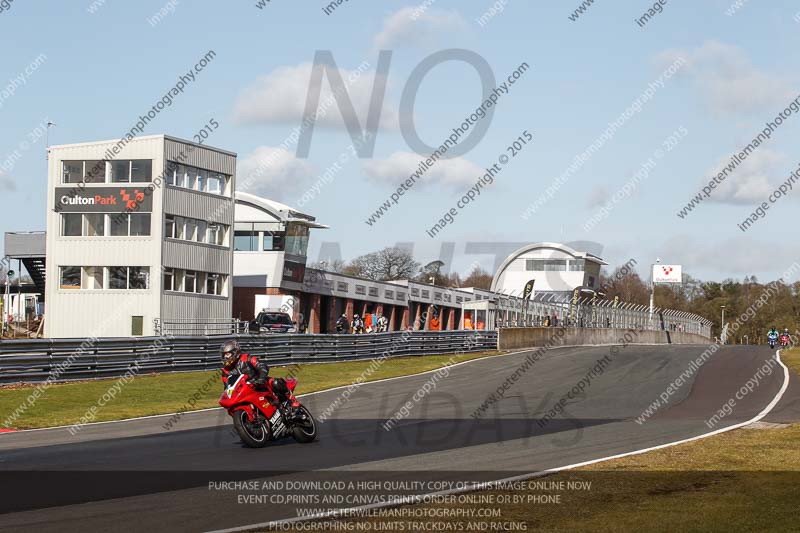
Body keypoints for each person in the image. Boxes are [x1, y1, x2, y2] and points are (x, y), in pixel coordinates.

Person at [220, 340, 297, 412]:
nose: (225, 357)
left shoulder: (247, 358)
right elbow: (227, 388)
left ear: (235, 352)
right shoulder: (225, 371)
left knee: (275, 382)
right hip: (245, 390)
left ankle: (292, 400)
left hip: (260, 383)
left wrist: (261, 379)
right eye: (224, 355)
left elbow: (262, 366)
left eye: (227, 354)